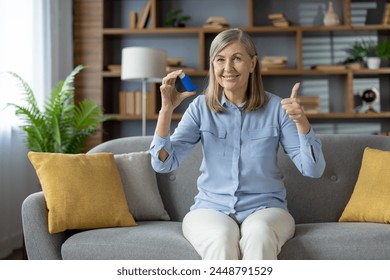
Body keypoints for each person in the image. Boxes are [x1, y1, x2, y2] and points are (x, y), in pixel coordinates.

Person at [149, 28, 326, 260]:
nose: (228, 68)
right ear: (213, 65)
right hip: (210, 209)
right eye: (220, 60)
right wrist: (166, 111)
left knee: (260, 234)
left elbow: (313, 169)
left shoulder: (276, 108)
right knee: (221, 237)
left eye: (237, 58)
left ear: (252, 64)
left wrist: (302, 123)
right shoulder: (200, 108)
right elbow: (163, 164)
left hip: (266, 209)